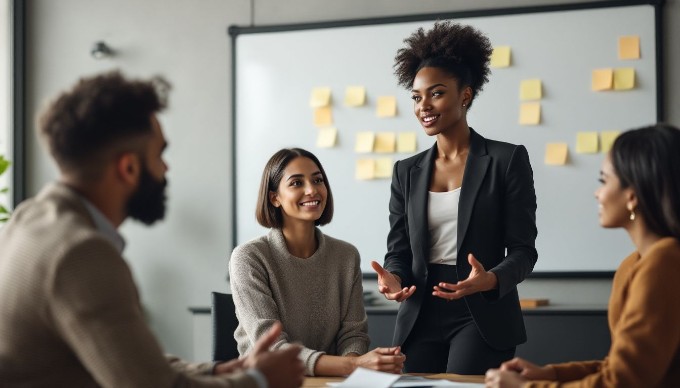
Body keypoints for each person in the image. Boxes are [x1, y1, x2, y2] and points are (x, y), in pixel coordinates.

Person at [0, 71, 305, 388]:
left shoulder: (27, 220)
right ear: (128, 168)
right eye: (160, 154)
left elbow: (135, 363)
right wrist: (259, 380)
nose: (165, 168)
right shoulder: (81, 254)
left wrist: (221, 370)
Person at [370, 21, 538, 374]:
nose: (423, 106)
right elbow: (399, 251)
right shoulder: (406, 171)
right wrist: (396, 279)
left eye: (436, 93)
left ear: (466, 94)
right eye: (416, 96)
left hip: (481, 313)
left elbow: (524, 250)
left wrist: (490, 279)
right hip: (419, 312)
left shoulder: (506, 160)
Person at [485, 123, 680, 388]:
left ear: (632, 196)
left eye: (604, 181)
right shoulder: (636, 263)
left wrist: (523, 387)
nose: (597, 193)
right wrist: (551, 374)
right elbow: (619, 366)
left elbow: (623, 382)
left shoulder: (664, 262)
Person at [229, 148, 406, 377]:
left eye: (317, 180)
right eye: (296, 183)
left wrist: (352, 369)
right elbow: (273, 350)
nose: (312, 190)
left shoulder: (346, 256)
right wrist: (354, 366)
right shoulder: (249, 258)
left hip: (329, 381)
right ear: (275, 197)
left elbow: (353, 335)